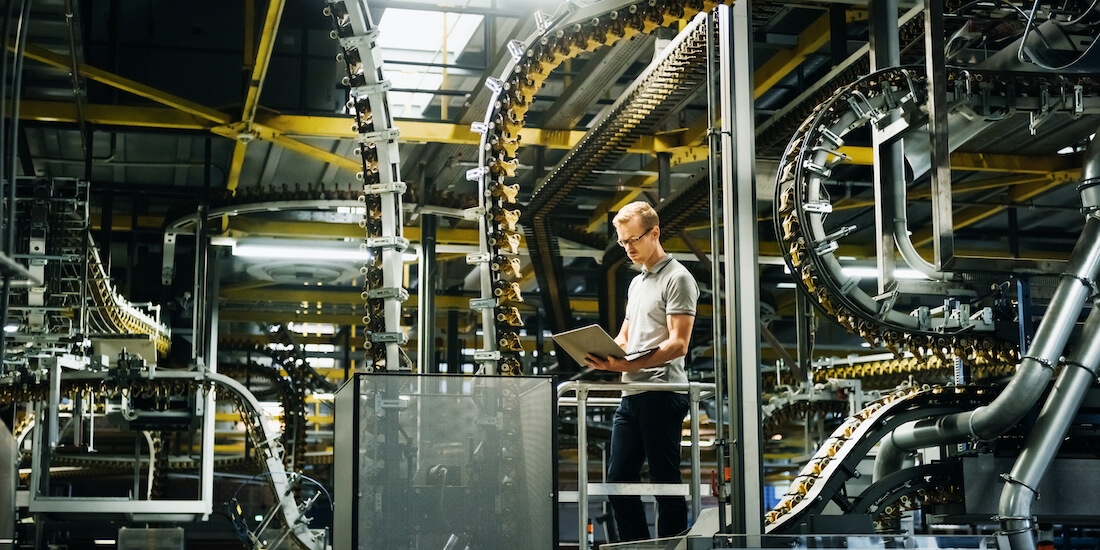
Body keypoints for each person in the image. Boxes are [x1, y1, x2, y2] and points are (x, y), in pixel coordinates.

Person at [585, 201, 699, 541]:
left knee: (665, 482)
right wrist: (601, 352)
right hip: (631, 394)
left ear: (655, 233)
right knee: (618, 478)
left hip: (663, 394)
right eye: (622, 242)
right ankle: (634, 546)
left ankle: (670, 548)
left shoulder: (678, 278)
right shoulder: (637, 283)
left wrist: (626, 364)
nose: (628, 248)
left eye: (633, 240)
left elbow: (679, 344)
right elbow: (625, 336)